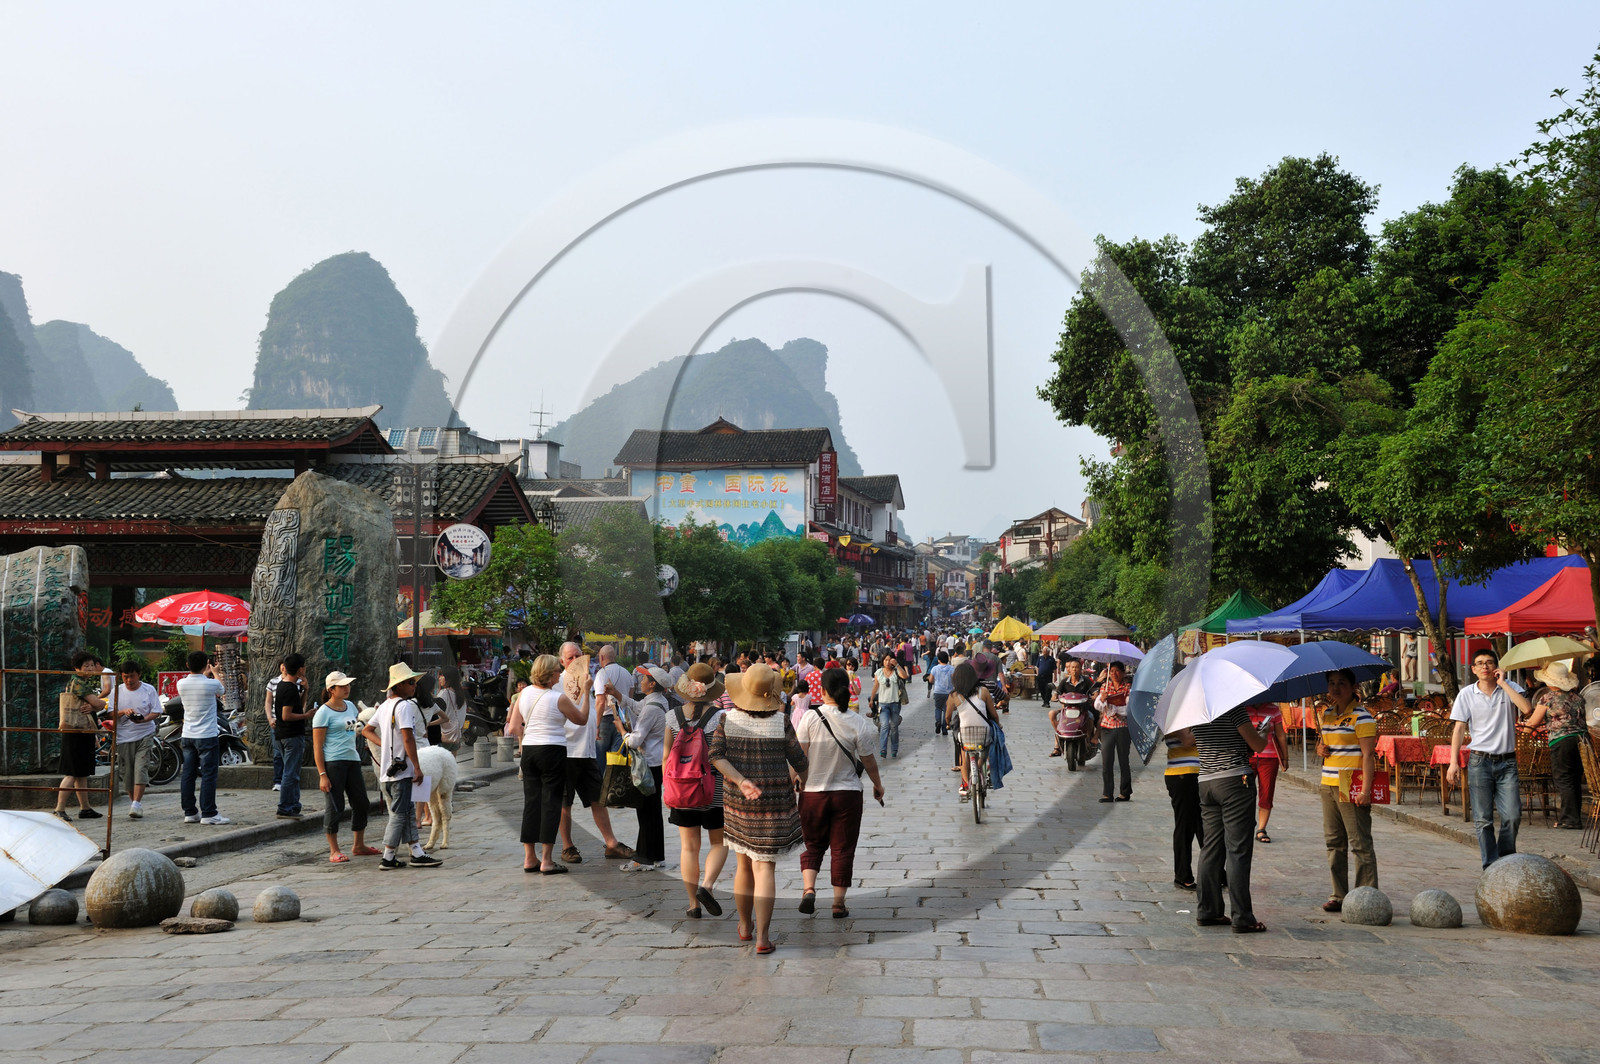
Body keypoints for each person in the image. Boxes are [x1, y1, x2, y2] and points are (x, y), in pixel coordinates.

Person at [709, 662, 808, 955]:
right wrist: (790, 778)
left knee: (743, 863)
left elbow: (715, 756)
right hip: (775, 805)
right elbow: (801, 762)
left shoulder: (727, 720)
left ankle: (744, 925)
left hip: (739, 804)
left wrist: (741, 781)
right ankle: (764, 938)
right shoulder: (782, 721)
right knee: (765, 868)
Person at [796, 667, 884, 918]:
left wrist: (794, 780)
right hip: (847, 795)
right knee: (843, 848)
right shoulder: (857, 721)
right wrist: (878, 785)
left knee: (812, 844)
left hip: (813, 792)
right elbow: (868, 761)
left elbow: (800, 757)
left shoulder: (810, 718)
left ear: (821, 691)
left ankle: (809, 890)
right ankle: (838, 904)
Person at [1447, 649, 1533, 868]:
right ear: (1474, 670)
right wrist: (1453, 762)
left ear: (1496, 667)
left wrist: (1504, 683)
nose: (1484, 666)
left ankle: (1505, 862)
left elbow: (1526, 709)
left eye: (1489, 663)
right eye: (1480, 663)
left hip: (1507, 762)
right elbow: (1458, 729)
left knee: (1512, 815)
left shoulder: (1510, 688)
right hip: (1479, 762)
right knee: (1483, 820)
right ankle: (1491, 865)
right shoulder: (1466, 694)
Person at [505, 653, 590, 874]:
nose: (559, 675)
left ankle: (529, 858)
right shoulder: (558, 698)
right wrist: (587, 693)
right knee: (551, 803)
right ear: (550, 674)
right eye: (556, 671)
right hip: (552, 750)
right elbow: (581, 720)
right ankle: (547, 860)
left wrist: (530, 736)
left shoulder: (523, 694)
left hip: (530, 750)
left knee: (531, 803)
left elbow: (514, 726)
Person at [1192, 699, 1269, 932]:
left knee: (1211, 848)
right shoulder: (1233, 709)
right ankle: (1242, 917)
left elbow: (1195, 740)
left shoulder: (1197, 710)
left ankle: (1208, 911)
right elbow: (1257, 745)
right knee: (1237, 851)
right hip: (1235, 781)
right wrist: (1263, 733)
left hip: (1206, 782)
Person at [360, 663, 443, 870]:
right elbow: (408, 737)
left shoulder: (387, 705)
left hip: (390, 769)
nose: (414, 686)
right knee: (399, 814)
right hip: (401, 770)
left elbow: (367, 731)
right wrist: (417, 766)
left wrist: (386, 745)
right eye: (410, 682)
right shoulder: (404, 706)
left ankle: (416, 851)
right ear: (399, 685)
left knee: (405, 811)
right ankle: (388, 856)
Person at [556, 641, 632, 863]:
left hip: (587, 750)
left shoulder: (588, 680)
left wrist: (595, 728)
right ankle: (567, 846)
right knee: (565, 802)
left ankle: (611, 842)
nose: (576, 660)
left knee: (597, 798)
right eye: (570, 657)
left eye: (579, 655)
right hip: (567, 751)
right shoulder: (558, 683)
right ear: (562, 662)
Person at [666, 663, 730, 919]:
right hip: (713, 791)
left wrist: (669, 785)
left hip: (682, 790)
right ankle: (708, 885)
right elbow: (721, 757)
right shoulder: (720, 716)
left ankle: (693, 904)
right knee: (719, 842)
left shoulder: (672, 716)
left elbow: (665, 756)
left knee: (688, 848)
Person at [1316, 669, 1379, 911]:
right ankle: (1338, 894)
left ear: (1353, 686)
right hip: (1328, 782)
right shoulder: (1328, 715)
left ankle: (1366, 895)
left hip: (1351, 782)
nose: (1335, 688)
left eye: (1341, 683)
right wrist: (1321, 749)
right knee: (1334, 841)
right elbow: (1327, 746)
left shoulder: (1362, 716)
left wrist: (1365, 790)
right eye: (1331, 683)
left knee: (1359, 842)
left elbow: (1368, 755)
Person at [311, 670, 376, 863]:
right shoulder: (323, 713)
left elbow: (354, 730)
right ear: (331, 689)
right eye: (342, 686)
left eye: (348, 685)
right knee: (335, 806)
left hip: (352, 759)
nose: (347, 689)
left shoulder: (349, 706)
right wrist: (322, 773)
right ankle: (334, 850)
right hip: (333, 763)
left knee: (361, 802)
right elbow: (317, 746)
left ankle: (359, 844)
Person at [613, 666, 671, 870]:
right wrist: (616, 694)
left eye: (643, 678)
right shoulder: (657, 701)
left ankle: (643, 858)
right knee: (652, 812)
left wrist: (621, 730)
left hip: (649, 765)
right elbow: (636, 706)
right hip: (655, 764)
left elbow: (635, 740)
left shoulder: (652, 708)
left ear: (653, 683)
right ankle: (656, 856)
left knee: (646, 812)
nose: (640, 680)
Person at [1526, 661, 1585, 830]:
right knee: (1574, 779)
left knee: (1563, 779)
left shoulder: (1547, 698)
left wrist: (1523, 733)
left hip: (1562, 741)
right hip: (1581, 740)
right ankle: (1574, 817)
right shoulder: (1578, 697)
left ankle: (1569, 820)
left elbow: (1532, 723)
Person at [175, 650, 231, 825]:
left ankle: (190, 812)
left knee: (188, 775)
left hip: (188, 735)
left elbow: (198, 682)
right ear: (206, 664)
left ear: (187, 665)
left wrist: (206, 672)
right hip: (207, 735)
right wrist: (214, 672)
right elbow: (223, 689)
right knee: (208, 775)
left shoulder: (181, 684)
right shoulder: (211, 684)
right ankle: (209, 813)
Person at [54, 650, 107, 822]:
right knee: (72, 772)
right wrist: (96, 706)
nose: (91, 668)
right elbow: (98, 703)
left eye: (92, 665)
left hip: (80, 731)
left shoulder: (78, 682)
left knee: (81, 773)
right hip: (76, 732)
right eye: (86, 666)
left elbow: (94, 705)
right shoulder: (80, 684)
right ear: (77, 668)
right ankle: (59, 808)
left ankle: (85, 808)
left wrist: (93, 707)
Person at [110, 659, 161, 820]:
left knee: (141, 768)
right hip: (123, 737)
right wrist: (123, 712)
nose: (129, 680)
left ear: (139, 675)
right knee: (127, 773)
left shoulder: (149, 689)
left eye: (132, 676)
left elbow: (156, 711)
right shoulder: (116, 691)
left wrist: (143, 719)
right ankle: (134, 803)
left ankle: (136, 803)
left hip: (145, 734)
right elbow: (110, 713)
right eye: (125, 677)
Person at [945, 661, 1001, 801]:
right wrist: (998, 724)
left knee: (964, 753)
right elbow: (993, 714)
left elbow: (947, 716)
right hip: (984, 732)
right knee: (986, 747)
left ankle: (965, 783)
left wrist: (947, 724)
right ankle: (983, 767)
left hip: (965, 734)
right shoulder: (983, 691)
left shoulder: (953, 696)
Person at [1163, 727, 1203, 889]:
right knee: (1185, 826)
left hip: (1200, 773)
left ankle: (1216, 872)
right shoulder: (1174, 715)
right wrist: (1207, 729)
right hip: (1181, 775)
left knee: (1205, 826)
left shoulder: (1195, 714)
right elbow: (1187, 740)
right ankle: (1182, 874)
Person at [273, 653, 310, 820]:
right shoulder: (288, 688)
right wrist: (306, 716)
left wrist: (306, 690)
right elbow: (287, 715)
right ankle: (285, 807)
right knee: (290, 772)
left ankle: (294, 805)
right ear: (300, 669)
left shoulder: (285, 685)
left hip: (283, 734)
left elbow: (298, 708)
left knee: (293, 771)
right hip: (290, 734)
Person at [1247, 701, 1288, 843]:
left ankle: (1261, 829)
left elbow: (1280, 734)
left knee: (1267, 793)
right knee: (1245, 794)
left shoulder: (1273, 709)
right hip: (1247, 757)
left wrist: (1285, 757)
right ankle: (1245, 826)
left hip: (1269, 758)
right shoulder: (1243, 709)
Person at [1095, 661, 1133, 802]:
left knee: (1123, 760)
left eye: (1117, 671)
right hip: (1107, 728)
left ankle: (1125, 791)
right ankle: (1107, 793)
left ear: (1123, 673)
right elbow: (1098, 706)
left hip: (1123, 727)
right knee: (1107, 761)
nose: (1114, 674)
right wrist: (1103, 699)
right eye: (1112, 671)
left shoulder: (1128, 688)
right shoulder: (1105, 687)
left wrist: (1115, 708)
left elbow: (1128, 709)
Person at [868, 652, 909, 759]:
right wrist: (872, 699)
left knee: (894, 727)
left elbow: (905, 676)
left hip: (895, 703)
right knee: (885, 725)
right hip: (883, 703)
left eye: (889, 660)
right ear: (882, 661)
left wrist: (897, 665)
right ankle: (883, 749)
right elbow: (875, 686)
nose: (887, 662)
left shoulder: (896, 671)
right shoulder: (878, 672)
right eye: (885, 660)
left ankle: (894, 749)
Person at [1050, 658, 1092, 757]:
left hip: (1082, 710)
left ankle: (1089, 739)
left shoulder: (1086, 681)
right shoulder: (1064, 681)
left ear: (1081, 669)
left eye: (1076, 667)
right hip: (1066, 710)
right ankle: (1059, 738)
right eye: (1072, 667)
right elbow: (1056, 693)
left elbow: (1094, 692)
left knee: (1090, 718)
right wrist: (1054, 696)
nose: (1074, 669)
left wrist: (1094, 696)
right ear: (1069, 669)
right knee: (1051, 713)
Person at [435, 666, 468, 751]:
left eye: (442, 675)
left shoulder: (444, 694)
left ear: (449, 678)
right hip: (456, 735)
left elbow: (436, 713)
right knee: (452, 762)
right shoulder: (460, 694)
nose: (439, 678)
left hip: (444, 735)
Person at [928, 651, 955, 737]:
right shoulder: (952, 669)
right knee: (946, 710)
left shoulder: (935, 669)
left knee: (938, 708)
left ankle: (938, 721)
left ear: (939, 660)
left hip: (938, 691)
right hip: (949, 693)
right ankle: (944, 728)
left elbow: (931, 680)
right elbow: (954, 680)